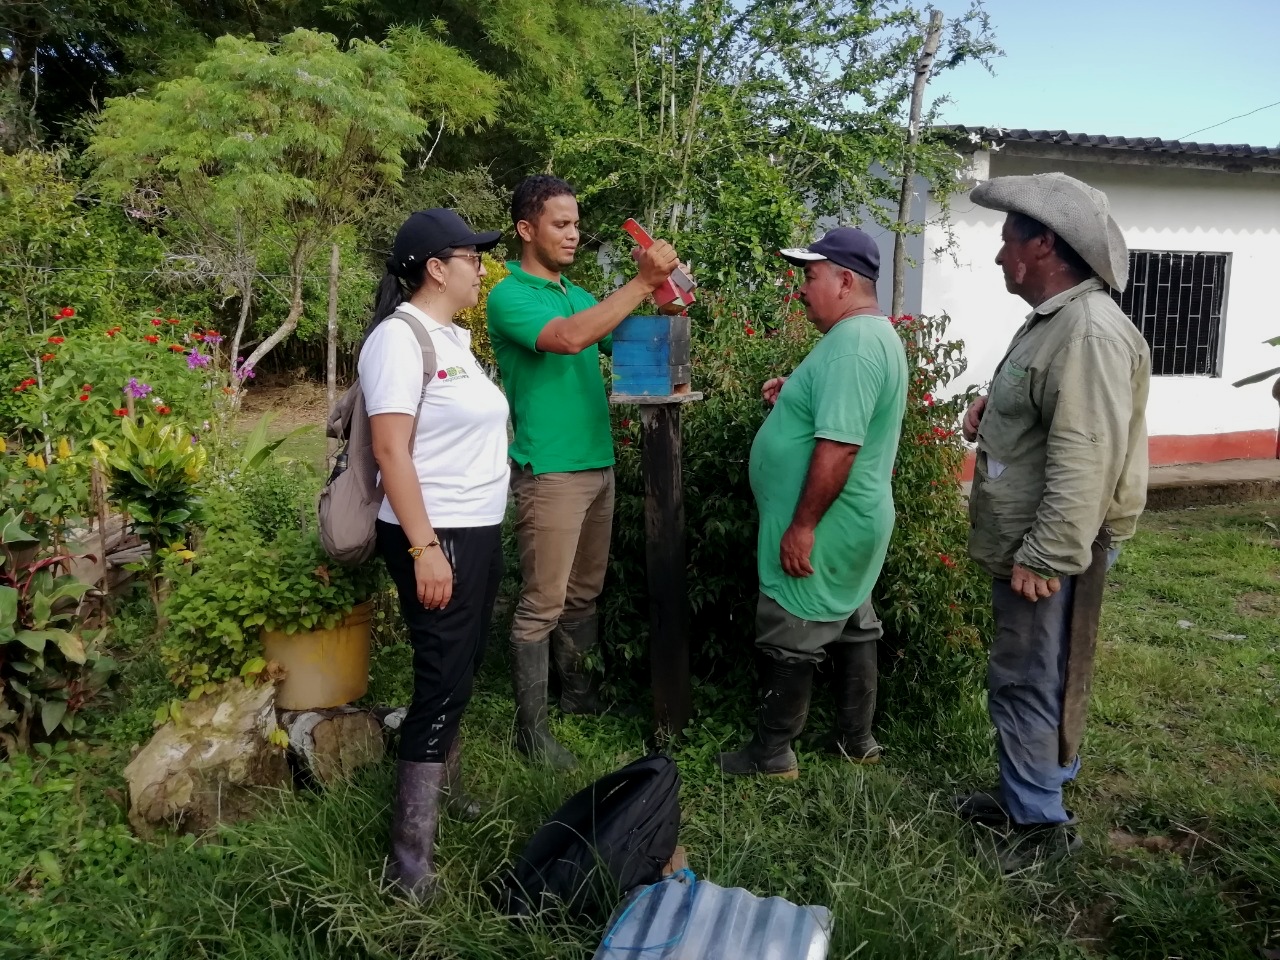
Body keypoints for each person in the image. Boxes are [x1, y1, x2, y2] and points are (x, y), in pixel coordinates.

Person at [955, 173, 1150, 872]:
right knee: (1032, 672)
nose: (1000, 253)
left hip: (1055, 549)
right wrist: (990, 410)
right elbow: (1047, 415)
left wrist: (1045, 556)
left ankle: (1039, 826)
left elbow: (1086, 457)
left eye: (1010, 238)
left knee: (1034, 678)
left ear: (1043, 244)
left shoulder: (1088, 331)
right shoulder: (1057, 322)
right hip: (1037, 540)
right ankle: (1025, 794)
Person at [486, 175, 679, 769]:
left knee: (583, 594)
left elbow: (612, 336)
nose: (573, 234)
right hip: (551, 471)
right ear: (526, 230)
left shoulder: (576, 293)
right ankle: (532, 732)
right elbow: (569, 341)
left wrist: (666, 297)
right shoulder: (510, 295)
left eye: (575, 223)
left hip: (597, 465)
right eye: (560, 224)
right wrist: (641, 281)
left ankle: (581, 697)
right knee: (542, 601)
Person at [718, 227, 907, 779]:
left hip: (829, 523)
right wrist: (795, 394)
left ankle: (772, 753)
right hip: (853, 522)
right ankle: (857, 740)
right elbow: (846, 412)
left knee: (791, 630)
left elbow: (841, 445)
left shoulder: (854, 345)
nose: (801, 288)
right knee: (852, 620)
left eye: (810, 275)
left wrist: (802, 525)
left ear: (845, 281)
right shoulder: (869, 336)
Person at [362, 208, 509, 901]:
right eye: (470, 256)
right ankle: (409, 865)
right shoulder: (399, 340)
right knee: (439, 684)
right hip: (435, 533)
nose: (481, 265)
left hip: (475, 530)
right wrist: (424, 548)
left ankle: (438, 802)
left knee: (461, 672)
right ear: (435, 268)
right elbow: (391, 449)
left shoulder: (454, 336)